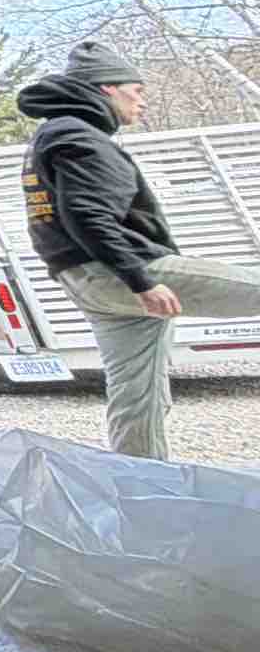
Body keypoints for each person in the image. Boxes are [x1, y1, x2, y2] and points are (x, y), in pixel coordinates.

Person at [19, 40, 260, 460]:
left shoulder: (54, 134)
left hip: (86, 279)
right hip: (119, 273)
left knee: (138, 396)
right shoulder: (79, 136)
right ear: (106, 88)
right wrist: (141, 280)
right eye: (137, 90)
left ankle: (140, 483)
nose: (142, 100)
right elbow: (87, 214)